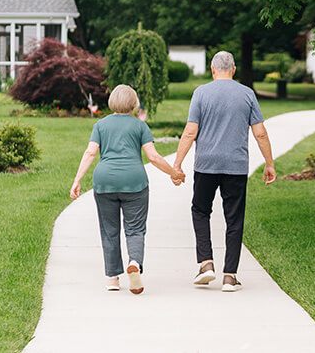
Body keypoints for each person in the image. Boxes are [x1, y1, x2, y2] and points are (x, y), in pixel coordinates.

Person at [173, 51, 276, 292]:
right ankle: (230, 276)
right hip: (236, 166)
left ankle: (206, 264)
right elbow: (260, 132)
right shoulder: (247, 94)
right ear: (234, 69)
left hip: (205, 165)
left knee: (200, 210)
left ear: (212, 69)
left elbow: (190, 132)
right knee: (234, 218)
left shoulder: (201, 93)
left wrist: (177, 165)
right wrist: (269, 163)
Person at [70, 84, 185, 294]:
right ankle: (134, 262)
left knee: (109, 231)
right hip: (134, 183)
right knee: (135, 229)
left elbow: (89, 153)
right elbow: (154, 157)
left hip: (104, 182)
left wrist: (77, 180)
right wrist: (174, 173)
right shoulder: (140, 126)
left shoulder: (100, 125)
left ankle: (113, 278)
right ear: (134, 104)